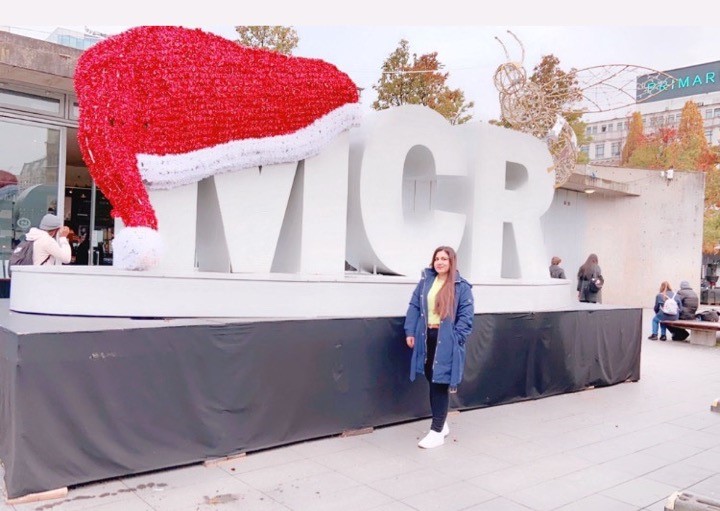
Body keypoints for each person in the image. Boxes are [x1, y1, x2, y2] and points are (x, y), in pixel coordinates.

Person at [404, 246, 474, 449]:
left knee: (440, 381)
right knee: (430, 377)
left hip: (446, 340)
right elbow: (414, 306)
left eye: (444, 258)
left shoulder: (462, 287)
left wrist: (457, 337)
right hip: (427, 336)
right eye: (437, 258)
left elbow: (466, 316)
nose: (440, 262)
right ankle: (441, 424)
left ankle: (436, 431)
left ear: (452, 262)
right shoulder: (426, 281)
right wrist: (410, 331)